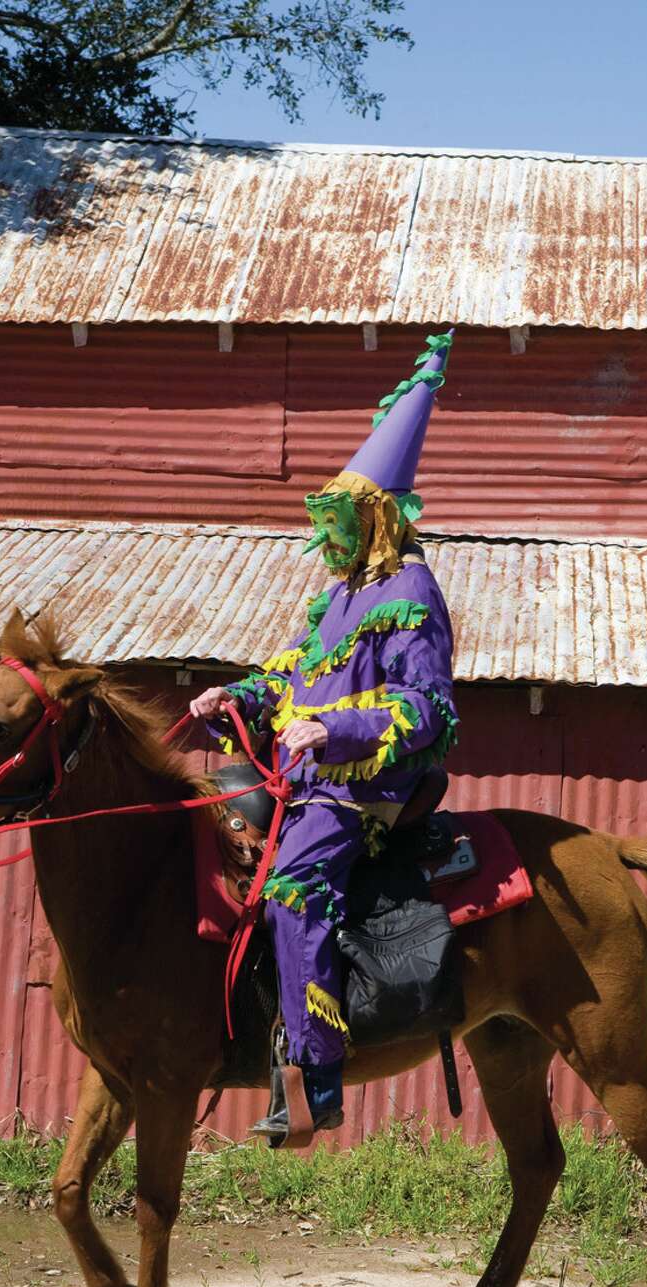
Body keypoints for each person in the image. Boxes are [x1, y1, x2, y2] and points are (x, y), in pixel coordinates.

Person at [190, 330, 459, 1139]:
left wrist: (333, 729)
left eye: (343, 516)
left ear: (377, 514)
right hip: (302, 781)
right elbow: (290, 680)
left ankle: (314, 1079)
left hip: (360, 793)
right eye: (329, 517)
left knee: (292, 888)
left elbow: (429, 708)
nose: (330, 531)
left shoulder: (413, 592)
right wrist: (233, 693)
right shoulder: (336, 601)